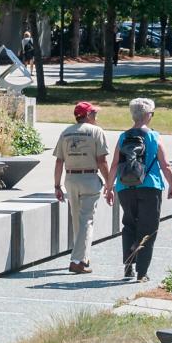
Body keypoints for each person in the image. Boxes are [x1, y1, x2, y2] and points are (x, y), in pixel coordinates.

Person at [111, 98, 172, 283]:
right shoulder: (154, 137)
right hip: (150, 186)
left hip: (124, 187)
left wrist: (109, 187)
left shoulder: (123, 136)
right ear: (148, 115)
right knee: (148, 229)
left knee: (129, 225)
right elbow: (166, 165)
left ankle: (128, 266)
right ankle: (142, 273)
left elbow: (115, 164)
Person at [52, 102, 114, 275]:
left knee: (77, 220)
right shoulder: (96, 131)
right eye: (94, 113)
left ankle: (83, 258)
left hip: (70, 178)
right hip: (89, 178)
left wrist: (57, 185)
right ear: (87, 115)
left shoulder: (66, 132)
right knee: (87, 220)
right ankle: (77, 261)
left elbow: (59, 161)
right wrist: (109, 184)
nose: (96, 117)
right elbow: (102, 161)